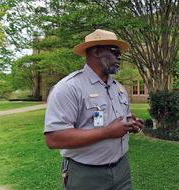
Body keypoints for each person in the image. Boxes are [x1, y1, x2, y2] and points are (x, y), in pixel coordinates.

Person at [44, 29, 143, 190]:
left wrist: (130, 122)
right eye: (114, 51)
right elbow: (54, 138)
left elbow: (121, 119)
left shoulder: (119, 89)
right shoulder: (69, 88)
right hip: (86, 174)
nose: (119, 56)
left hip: (122, 169)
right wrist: (107, 132)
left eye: (119, 53)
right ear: (96, 51)